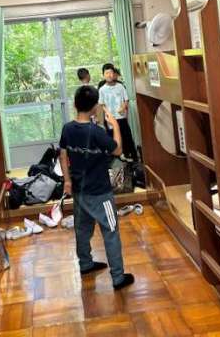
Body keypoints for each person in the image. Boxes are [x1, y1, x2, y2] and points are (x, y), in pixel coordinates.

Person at [59, 85, 134, 290]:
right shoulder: (96, 132)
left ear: (75, 105)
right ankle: (118, 277)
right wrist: (115, 126)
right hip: (100, 192)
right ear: (94, 107)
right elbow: (117, 150)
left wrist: (67, 181)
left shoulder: (67, 128)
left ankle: (85, 264)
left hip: (79, 191)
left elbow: (63, 155)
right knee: (111, 231)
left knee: (82, 230)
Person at [99, 64, 138, 161]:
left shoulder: (120, 86)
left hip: (121, 118)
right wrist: (107, 113)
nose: (109, 75)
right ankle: (116, 161)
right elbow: (102, 104)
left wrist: (123, 106)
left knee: (127, 137)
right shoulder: (102, 89)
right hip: (110, 120)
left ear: (114, 74)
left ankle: (132, 158)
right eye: (107, 73)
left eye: (111, 72)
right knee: (112, 140)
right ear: (103, 75)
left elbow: (126, 99)